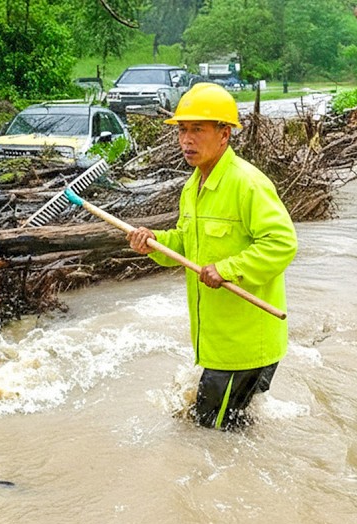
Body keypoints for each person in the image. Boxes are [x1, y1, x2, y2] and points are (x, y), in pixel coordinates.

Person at [126, 82, 297, 430]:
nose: (186, 140)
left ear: (224, 135)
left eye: (198, 130)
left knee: (211, 435)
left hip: (244, 347)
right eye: (183, 130)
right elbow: (186, 245)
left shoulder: (247, 184)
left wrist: (228, 269)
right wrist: (154, 242)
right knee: (227, 431)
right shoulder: (193, 186)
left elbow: (281, 243)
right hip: (219, 344)